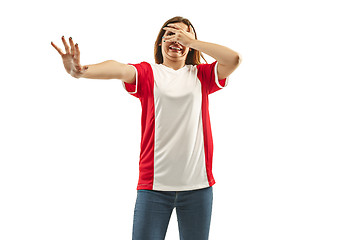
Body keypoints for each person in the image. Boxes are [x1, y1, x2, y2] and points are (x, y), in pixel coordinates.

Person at [51, 16, 241, 240]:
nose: (176, 38)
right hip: (154, 188)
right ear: (160, 42)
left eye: (183, 35)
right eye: (170, 33)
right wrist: (80, 71)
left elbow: (234, 59)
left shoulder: (203, 75)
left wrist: (192, 41)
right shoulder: (148, 73)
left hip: (198, 187)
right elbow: (119, 68)